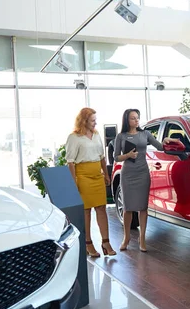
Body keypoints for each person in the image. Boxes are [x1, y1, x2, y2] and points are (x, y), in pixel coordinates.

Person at [114, 109, 178, 252]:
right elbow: (116, 157)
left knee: (143, 207)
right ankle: (126, 238)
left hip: (143, 173)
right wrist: (128, 155)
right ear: (126, 120)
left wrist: (167, 140)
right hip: (128, 174)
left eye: (137, 118)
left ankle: (142, 238)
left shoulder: (145, 134)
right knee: (128, 208)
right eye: (133, 118)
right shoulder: (121, 136)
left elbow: (160, 147)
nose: (136, 120)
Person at [65, 107, 116, 257]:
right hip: (83, 176)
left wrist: (106, 174)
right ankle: (88, 243)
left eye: (95, 120)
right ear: (84, 121)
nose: (95, 123)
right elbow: (70, 162)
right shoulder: (74, 137)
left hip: (97, 175)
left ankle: (106, 242)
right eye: (93, 120)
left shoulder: (97, 134)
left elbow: (102, 156)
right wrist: (74, 181)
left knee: (101, 208)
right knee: (86, 211)